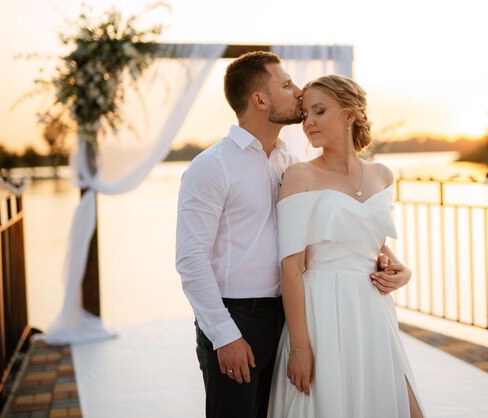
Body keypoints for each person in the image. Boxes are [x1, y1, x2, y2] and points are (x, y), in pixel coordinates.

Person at [176, 51, 411, 418]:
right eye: (286, 84)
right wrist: (226, 335)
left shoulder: (289, 162)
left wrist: (392, 264)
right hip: (239, 317)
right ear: (260, 100)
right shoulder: (212, 167)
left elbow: (335, 232)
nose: (297, 91)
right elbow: (191, 261)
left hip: (293, 315)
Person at [267, 74, 425, 418]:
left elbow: (372, 247)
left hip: (371, 310)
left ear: (349, 115)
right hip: (322, 309)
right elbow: (291, 267)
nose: (308, 122)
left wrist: (403, 271)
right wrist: (300, 348)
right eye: (305, 114)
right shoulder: (300, 176)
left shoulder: (382, 174)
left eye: (319, 111)